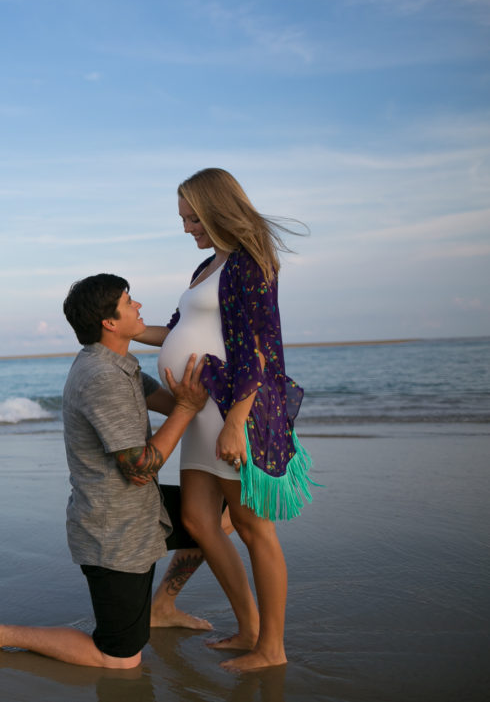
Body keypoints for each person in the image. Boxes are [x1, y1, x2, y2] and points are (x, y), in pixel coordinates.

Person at [0, 273, 209, 669]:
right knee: (118, 660)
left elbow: (172, 402)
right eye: (130, 302)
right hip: (114, 531)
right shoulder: (102, 378)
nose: (139, 307)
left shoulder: (119, 364)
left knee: (216, 515)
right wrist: (185, 409)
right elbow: (139, 467)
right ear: (109, 322)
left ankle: (161, 607)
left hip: (143, 511)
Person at [135, 168, 316, 672]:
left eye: (193, 217)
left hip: (230, 410)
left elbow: (259, 348)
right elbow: (175, 330)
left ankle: (271, 647)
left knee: (251, 526)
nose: (187, 227)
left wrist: (237, 422)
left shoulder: (249, 264)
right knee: (196, 519)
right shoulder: (206, 267)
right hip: (198, 409)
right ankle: (249, 629)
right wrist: (113, 334)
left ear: (217, 209)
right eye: (184, 218)